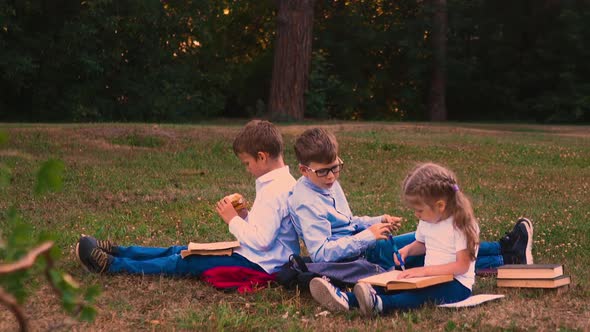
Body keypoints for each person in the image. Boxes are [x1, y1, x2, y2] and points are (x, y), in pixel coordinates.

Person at [287, 128, 532, 309]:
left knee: (438, 247)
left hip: (368, 242)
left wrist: (374, 221)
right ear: (304, 170)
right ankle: (507, 254)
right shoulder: (306, 201)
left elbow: (347, 221)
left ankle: (506, 251)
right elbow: (321, 254)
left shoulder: (326, 182)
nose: (331, 176)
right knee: (434, 252)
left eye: (335, 167)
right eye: (324, 171)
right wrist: (367, 236)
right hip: (359, 254)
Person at [76, 120, 300, 279]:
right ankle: (119, 250)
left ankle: (113, 265)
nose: (247, 169)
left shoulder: (275, 190)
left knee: (184, 260)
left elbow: (262, 242)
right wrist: (244, 216)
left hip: (260, 264)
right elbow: (268, 230)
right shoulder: (279, 183)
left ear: (262, 156)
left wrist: (233, 220)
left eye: (247, 163)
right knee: (183, 249)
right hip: (255, 255)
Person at [310, 162, 481, 315]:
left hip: (456, 285)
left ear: (440, 206)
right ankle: (348, 299)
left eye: (419, 210)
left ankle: (382, 305)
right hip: (430, 277)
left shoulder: (461, 225)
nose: (416, 214)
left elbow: (461, 266)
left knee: (417, 296)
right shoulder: (429, 219)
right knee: (393, 283)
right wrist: (407, 250)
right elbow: (422, 243)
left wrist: (423, 271)